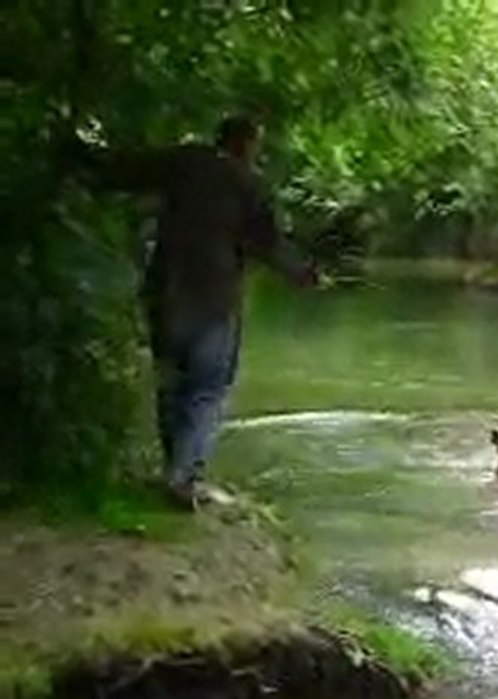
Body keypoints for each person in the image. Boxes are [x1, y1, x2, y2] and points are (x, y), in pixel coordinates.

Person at [65, 114, 318, 509]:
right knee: (207, 390)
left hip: (166, 292)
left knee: (171, 383)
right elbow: (267, 243)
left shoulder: (184, 162)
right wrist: (302, 274)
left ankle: (175, 472)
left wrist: (72, 152)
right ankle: (184, 477)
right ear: (248, 144)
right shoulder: (248, 183)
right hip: (214, 299)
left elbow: (121, 171)